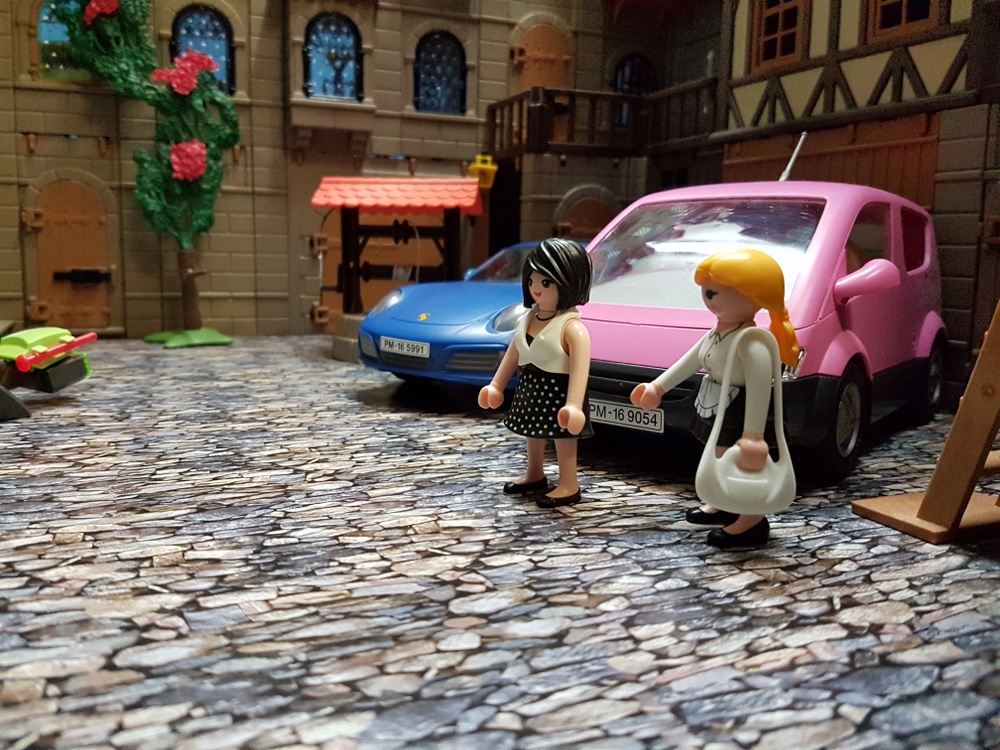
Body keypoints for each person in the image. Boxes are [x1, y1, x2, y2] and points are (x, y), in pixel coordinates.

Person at [630, 248, 800, 548]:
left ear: (753, 295)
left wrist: (753, 435)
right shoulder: (718, 333)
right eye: (706, 291)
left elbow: (761, 387)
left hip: (744, 411)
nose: (708, 299)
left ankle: (752, 520)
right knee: (718, 455)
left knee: (745, 465)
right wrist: (657, 387)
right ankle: (724, 503)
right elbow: (691, 360)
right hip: (719, 403)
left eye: (714, 292)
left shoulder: (752, 343)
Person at [479, 238, 593, 508]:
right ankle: (535, 473)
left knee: (563, 436)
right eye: (532, 281)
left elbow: (581, 368)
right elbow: (514, 352)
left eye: (546, 282)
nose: (536, 288)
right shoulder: (529, 318)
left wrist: (574, 405)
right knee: (532, 430)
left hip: (559, 390)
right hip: (531, 384)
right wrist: (496, 385)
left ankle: (568, 483)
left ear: (569, 283)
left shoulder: (572, 328)